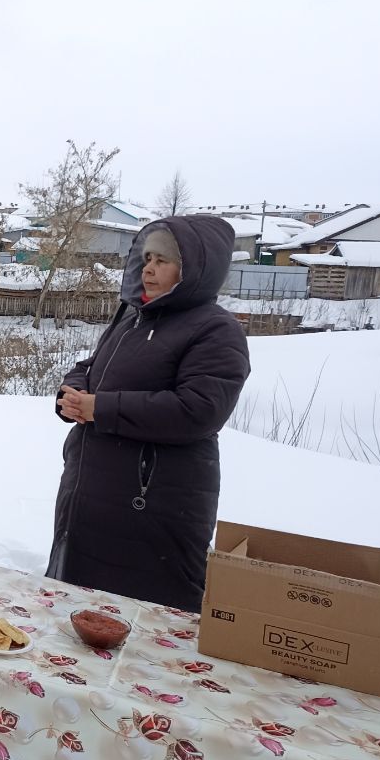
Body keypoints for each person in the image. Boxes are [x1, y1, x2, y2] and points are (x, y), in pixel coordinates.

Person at [46, 215, 251, 613]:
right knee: (78, 616)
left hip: (153, 507)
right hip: (91, 497)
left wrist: (101, 408)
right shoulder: (134, 317)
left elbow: (199, 410)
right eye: (147, 258)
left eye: (163, 260)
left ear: (194, 270)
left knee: (147, 629)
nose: (149, 269)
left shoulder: (215, 330)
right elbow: (92, 366)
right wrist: (74, 393)